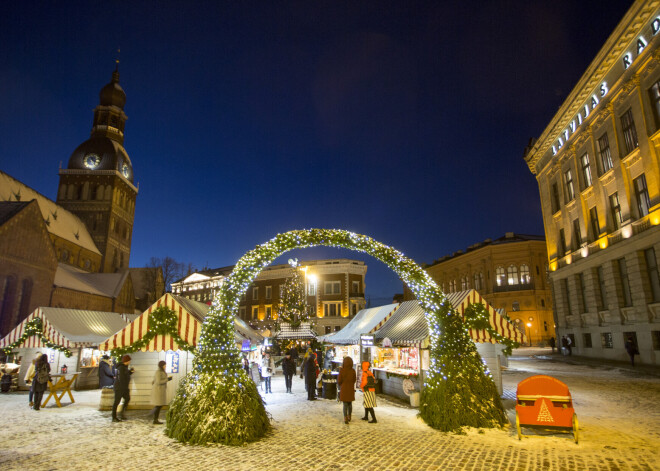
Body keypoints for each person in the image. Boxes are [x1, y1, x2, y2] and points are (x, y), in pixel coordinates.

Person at [112, 354, 133, 422]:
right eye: (129, 360)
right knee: (116, 402)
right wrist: (124, 387)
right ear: (126, 361)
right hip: (119, 387)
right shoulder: (121, 368)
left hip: (124, 387)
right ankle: (114, 417)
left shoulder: (124, 367)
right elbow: (121, 378)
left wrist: (130, 372)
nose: (130, 362)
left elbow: (125, 375)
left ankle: (121, 414)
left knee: (127, 398)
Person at [149, 360, 172, 424]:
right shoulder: (158, 372)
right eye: (164, 365)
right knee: (158, 405)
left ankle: (154, 418)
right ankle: (153, 417)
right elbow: (158, 381)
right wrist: (167, 379)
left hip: (160, 390)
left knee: (159, 405)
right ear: (162, 366)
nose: (165, 366)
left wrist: (167, 379)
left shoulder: (161, 371)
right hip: (158, 391)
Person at [337, 355, 356, 424]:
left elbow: (339, 380)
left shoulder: (342, 371)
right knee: (350, 403)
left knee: (345, 404)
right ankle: (349, 416)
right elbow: (354, 380)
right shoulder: (353, 371)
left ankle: (345, 418)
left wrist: (341, 385)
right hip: (350, 388)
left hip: (344, 388)